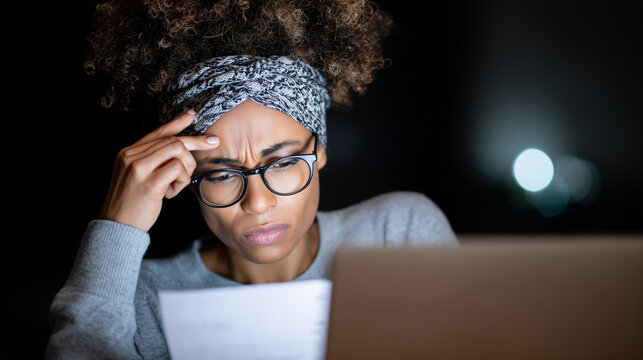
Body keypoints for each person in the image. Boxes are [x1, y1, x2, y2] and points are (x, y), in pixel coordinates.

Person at [45, 0, 457, 358]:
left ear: (321, 153)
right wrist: (118, 228)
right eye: (222, 173)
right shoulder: (145, 299)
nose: (257, 203)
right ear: (186, 177)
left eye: (281, 163)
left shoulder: (397, 235)